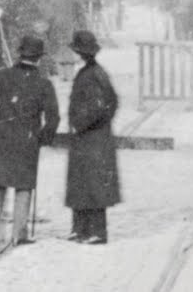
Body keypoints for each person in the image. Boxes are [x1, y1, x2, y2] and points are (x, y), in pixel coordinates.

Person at [0, 34, 59, 246]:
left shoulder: (1, 76)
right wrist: (42, 138)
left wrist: (2, 103)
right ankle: (19, 233)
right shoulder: (44, 84)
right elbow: (53, 118)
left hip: (0, 138)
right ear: (39, 58)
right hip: (27, 139)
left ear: (19, 54)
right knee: (23, 186)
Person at [64, 29, 120, 244]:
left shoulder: (92, 75)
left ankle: (96, 231)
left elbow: (101, 107)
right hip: (90, 137)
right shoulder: (92, 72)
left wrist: (80, 124)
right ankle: (80, 228)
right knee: (82, 183)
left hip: (92, 137)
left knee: (93, 185)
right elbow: (111, 103)